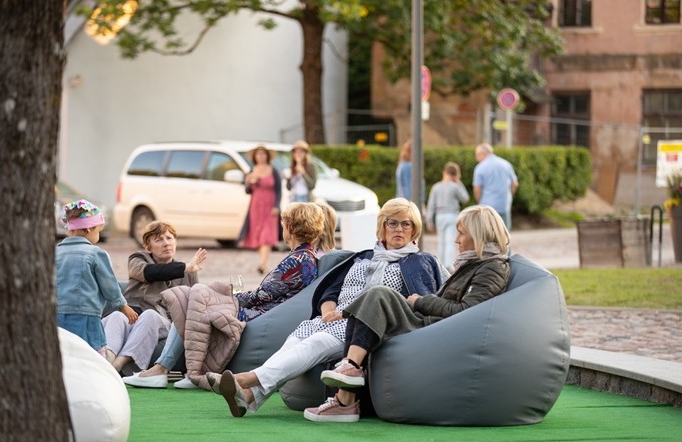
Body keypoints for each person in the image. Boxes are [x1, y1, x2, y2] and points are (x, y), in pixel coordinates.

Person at [206, 198, 446, 418]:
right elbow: (331, 290)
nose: (399, 229)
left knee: (315, 342)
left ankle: (248, 378)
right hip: (332, 320)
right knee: (296, 339)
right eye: (392, 223)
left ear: (414, 230)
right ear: (382, 226)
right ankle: (249, 396)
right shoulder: (363, 257)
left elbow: (419, 301)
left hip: (365, 326)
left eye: (406, 224)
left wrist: (345, 314)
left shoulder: (418, 261)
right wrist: (327, 311)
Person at [305, 205, 511, 423]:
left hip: (437, 328)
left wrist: (420, 301)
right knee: (372, 297)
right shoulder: (473, 263)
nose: (456, 239)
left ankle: (348, 387)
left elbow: (465, 312)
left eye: (461, 233)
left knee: (377, 295)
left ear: (478, 235)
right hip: (432, 320)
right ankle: (349, 381)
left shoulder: (492, 268)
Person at [122, 202, 325, 389]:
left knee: (195, 301)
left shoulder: (297, 260)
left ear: (289, 227)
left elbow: (262, 295)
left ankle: (165, 369)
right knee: (194, 299)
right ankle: (187, 370)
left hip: (260, 314)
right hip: (264, 311)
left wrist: (228, 296)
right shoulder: (303, 257)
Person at [102, 221, 207, 375]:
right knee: (117, 316)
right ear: (148, 246)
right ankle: (105, 362)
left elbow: (194, 304)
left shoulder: (189, 271)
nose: (166, 244)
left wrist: (187, 270)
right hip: (132, 315)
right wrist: (185, 268)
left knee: (150, 316)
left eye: (169, 238)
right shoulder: (137, 259)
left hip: (163, 322)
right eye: (159, 240)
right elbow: (150, 273)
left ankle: (117, 367)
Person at [56, 199, 138, 355]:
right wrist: (123, 306)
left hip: (57, 315)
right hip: (85, 316)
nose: (98, 235)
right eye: (98, 231)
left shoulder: (55, 252)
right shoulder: (95, 254)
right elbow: (109, 285)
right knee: (95, 354)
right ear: (88, 229)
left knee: (65, 353)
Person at [238, 144, 281, 274]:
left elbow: (279, 190)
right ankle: (264, 262)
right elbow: (248, 190)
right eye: (258, 154)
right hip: (256, 206)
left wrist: (276, 206)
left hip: (270, 206)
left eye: (263, 154)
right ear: (255, 157)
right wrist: (248, 181)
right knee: (257, 234)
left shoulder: (273, 171)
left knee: (267, 235)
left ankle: (262, 264)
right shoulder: (251, 171)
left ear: (267, 156)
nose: (260, 156)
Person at [426, 162, 470, 270]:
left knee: (441, 241)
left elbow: (431, 205)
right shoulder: (455, 187)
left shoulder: (436, 187)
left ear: (444, 172)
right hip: (452, 216)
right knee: (450, 241)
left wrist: (429, 221)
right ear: (455, 175)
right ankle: (448, 265)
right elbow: (465, 198)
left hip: (439, 216)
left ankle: (440, 265)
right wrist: (459, 183)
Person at [472, 143, 518, 230]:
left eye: (477, 155)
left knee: (488, 234)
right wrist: (509, 196)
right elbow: (514, 184)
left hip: (487, 207)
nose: (476, 158)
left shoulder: (480, 167)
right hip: (504, 204)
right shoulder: (506, 164)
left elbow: (477, 188)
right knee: (504, 234)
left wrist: (478, 201)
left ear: (482, 154)